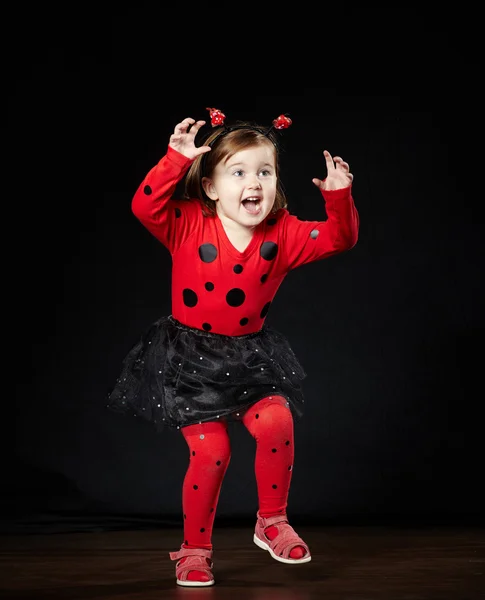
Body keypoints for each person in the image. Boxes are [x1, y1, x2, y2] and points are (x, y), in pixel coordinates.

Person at [107, 107, 359, 587]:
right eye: (238, 172)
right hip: (190, 362)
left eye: (265, 171)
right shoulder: (185, 222)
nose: (254, 183)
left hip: (249, 358)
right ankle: (194, 550)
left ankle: (272, 520)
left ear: (276, 182)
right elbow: (144, 207)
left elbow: (340, 237)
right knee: (212, 454)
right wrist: (174, 160)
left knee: (278, 420)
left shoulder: (283, 233)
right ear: (211, 186)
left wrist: (339, 198)